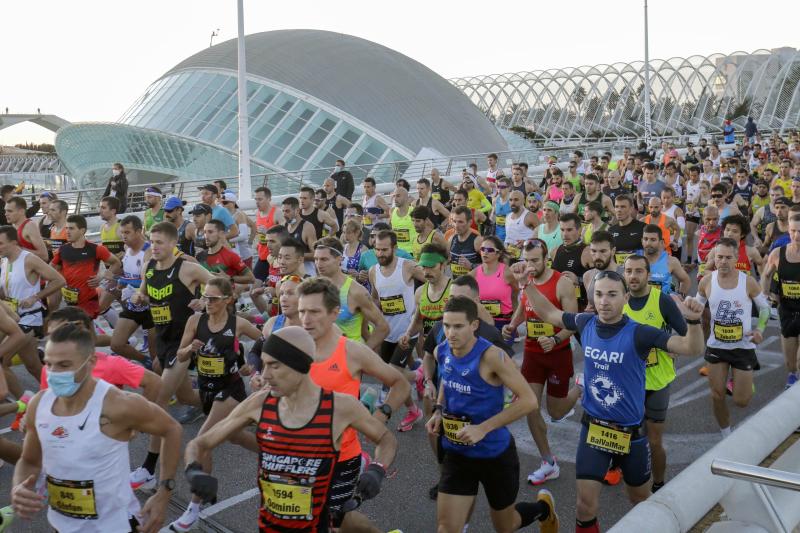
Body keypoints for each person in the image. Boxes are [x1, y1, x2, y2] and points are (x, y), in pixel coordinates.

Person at [525, 269, 704, 533]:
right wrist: (526, 285)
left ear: (625, 297)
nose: (604, 301)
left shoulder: (640, 333)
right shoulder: (586, 323)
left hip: (631, 434)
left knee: (640, 501)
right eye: (599, 294)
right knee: (585, 506)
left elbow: (691, 348)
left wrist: (694, 322)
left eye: (612, 294)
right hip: (593, 429)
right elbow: (550, 315)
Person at [182, 326, 396, 532]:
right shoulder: (259, 403)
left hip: (316, 526)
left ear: (300, 366)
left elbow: (386, 439)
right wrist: (194, 471)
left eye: (274, 366)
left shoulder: (340, 408)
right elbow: (200, 443)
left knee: (348, 524)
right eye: (264, 365)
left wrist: (377, 469)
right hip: (269, 528)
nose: (264, 375)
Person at [10, 324, 182, 533]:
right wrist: (19, 485)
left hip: (115, 526)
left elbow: (172, 429)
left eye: (64, 365)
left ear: (90, 361)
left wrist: (164, 493)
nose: (54, 373)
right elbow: (29, 460)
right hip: (61, 525)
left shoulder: (118, 405)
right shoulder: (40, 403)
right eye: (49, 364)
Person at [426, 296, 559, 533]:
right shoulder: (442, 351)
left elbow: (528, 400)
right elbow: (448, 378)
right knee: (446, 528)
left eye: (458, 326)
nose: (450, 333)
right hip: (457, 453)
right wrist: (438, 409)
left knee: (505, 527)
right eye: (446, 326)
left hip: (494, 455)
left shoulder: (491, 357)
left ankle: (542, 509)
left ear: (474, 325)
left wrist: (482, 428)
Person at [295, 279, 408, 530]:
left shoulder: (352, 352)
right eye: (302, 311)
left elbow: (400, 384)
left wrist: (383, 413)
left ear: (334, 313)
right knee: (331, 518)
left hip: (342, 458)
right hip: (299, 455)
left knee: (330, 522)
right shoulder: (292, 348)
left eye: (314, 312)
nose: (306, 319)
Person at [168, 278, 263, 531]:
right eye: (205, 297)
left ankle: (195, 506)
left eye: (212, 298)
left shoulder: (237, 323)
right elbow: (179, 355)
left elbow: (266, 340)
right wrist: (190, 348)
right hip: (207, 390)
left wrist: (251, 365)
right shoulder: (195, 321)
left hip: (230, 390)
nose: (207, 302)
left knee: (202, 441)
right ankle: (274, 452)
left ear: (228, 300)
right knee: (233, 436)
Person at [503, 240, 577, 486]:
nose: (531, 266)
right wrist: (513, 325)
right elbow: (525, 306)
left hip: (557, 353)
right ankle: (548, 462)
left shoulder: (563, 283)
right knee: (530, 406)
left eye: (536, 260)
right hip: (533, 353)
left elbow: (573, 322)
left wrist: (555, 338)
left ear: (546, 258)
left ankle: (580, 388)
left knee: (556, 412)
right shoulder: (526, 279)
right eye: (527, 260)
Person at [621, 255, 688, 491]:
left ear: (648, 275)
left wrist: (673, 345)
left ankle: (659, 484)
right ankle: (633, 477)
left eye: (639, 271)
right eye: (629, 271)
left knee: (654, 440)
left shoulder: (662, 301)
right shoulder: (619, 301)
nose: (633, 276)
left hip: (657, 381)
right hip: (628, 383)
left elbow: (685, 333)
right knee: (627, 436)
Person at [132, 222, 211, 424]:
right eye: (151, 242)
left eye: (159, 242)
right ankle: (224, 404)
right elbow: (144, 291)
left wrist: (204, 301)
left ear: (174, 243)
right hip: (163, 337)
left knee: (160, 396)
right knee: (185, 397)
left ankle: (156, 450)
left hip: (185, 339)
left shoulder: (188, 268)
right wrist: (140, 296)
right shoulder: (149, 268)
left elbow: (220, 285)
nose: (154, 247)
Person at [697, 238, 769, 437]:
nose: (723, 261)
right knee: (717, 394)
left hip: (743, 347)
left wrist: (760, 330)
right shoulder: (706, 281)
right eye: (719, 257)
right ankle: (725, 433)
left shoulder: (747, 281)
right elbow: (696, 305)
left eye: (728, 257)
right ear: (714, 258)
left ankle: (741, 381)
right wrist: (686, 306)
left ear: (737, 258)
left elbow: (764, 308)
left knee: (741, 401)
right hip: (716, 346)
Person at [368, 229, 426, 431]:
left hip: (407, 332)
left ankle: (419, 375)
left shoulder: (408, 267)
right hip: (387, 332)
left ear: (395, 248)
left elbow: (433, 281)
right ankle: (414, 408)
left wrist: (422, 309)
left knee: (391, 376)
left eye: (384, 250)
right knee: (391, 376)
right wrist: (378, 308)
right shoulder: (373, 271)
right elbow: (375, 297)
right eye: (377, 249)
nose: (380, 253)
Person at [0, 225, 63, 396]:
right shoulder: (4, 260)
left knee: (2, 362)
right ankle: (59, 393)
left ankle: (24, 405)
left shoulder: (29, 259)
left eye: (1, 243)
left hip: (29, 318)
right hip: (13, 318)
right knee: (33, 365)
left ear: (14, 242)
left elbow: (59, 280)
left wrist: (35, 297)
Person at [313, 236, 389, 351]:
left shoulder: (355, 291)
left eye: (324, 259)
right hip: (322, 355)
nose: (318, 264)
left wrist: (363, 354)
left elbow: (383, 327)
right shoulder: (313, 288)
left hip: (348, 358)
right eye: (316, 259)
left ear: (339, 259)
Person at [50, 214, 122, 319]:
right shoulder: (63, 250)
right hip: (71, 302)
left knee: (81, 330)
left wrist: (101, 276)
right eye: (66, 228)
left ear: (82, 230)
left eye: (71, 228)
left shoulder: (95, 249)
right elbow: (50, 269)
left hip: (89, 301)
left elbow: (116, 263)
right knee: (86, 333)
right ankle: (111, 321)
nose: (67, 232)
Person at [761, 214, 800, 388]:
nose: (796, 235)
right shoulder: (778, 254)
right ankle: (792, 377)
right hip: (787, 311)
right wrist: (765, 296)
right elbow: (766, 275)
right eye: (793, 231)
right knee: (790, 364)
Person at [108, 215, 154, 364]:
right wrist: (117, 282)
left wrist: (119, 280)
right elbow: (127, 274)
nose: (123, 236)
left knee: (157, 357)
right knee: (116, 344)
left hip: (150, 306)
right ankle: (145, 361)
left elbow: (145, 282)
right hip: (133, 304)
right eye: (122, 232)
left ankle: (156, 368)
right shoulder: (127, 249)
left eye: (127, 232)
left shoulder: (148, 252)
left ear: (139, 231)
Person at [472, 236, 518, 333]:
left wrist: (514, 323)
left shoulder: (507, 273)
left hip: (504, 323)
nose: (485, 252)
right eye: (482, 249)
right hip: (482, 323)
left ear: (498, 254)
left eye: (489, 250)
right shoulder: (473, 274)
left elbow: (515, 296)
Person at [195, 219, 255, 285]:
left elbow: (251, 278)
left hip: (225, 294)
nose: (206, 236)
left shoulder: (231, 256)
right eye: (205, 232)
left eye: (210, 232)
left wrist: (230, 278)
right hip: (204, 295)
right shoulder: (199, 256)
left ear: (221, 234)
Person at [640, 224, 690, 295]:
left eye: (653, 240)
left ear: (661, 243)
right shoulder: (634, 260)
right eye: (646, 239)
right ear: (642, 241)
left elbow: (685, 280)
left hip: (663, 304)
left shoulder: (670, 261)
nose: (648, 243)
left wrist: (680, 298)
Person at [253, 186, 284, 281]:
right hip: (262, 256)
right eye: (256, 199)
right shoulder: (257, 213)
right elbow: (257, 232)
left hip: (276, 258)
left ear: (269, 199)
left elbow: (286, 234)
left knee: (276, 287)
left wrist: (268, 232)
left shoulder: (277, 213)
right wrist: (256, 243)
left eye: (260, 199)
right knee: (253, 286)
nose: (257, 202)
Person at [5, 196, 48, 262]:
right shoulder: (13, 226)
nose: (6, 214)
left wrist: (18, 249)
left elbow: (44, 256)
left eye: (10, 211)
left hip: (31, 270)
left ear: (22, 211)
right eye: (5, 211)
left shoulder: (29, 226)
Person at [221, 190, 255, 268]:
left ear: (233, 203)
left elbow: (243, 235)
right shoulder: (224, 215)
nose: (223, 205)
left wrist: (250, 243)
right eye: (222, 202)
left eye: (225, 202)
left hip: (244, 255)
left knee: (247, 278)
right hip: (232, 254)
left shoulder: (239, 215)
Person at [610, 194, 647, 266]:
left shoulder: (643, 228)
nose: (619, 210)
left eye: (623, 207)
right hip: (617, 273)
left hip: (637, 271)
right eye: (616, 207)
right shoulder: (611, 230)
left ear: (631, 209)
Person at [448, 206, 482, 278]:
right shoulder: (451, 239)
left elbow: (492, 265)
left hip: (473, 286)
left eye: (460, 222)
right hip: (456, 285)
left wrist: (471, 266)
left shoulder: (477, 241)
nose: (456, 225)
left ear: (470, 222)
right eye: (454, 221)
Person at [504, 190, 539, 261]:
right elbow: (508, 238)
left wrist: (527, 242)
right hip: (509, 257)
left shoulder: (530, 216)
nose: (513, 203)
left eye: (516, 200)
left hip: (525, 259)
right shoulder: (508, 216)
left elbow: (542, 238)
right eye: (510, 200)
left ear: (523, 201)